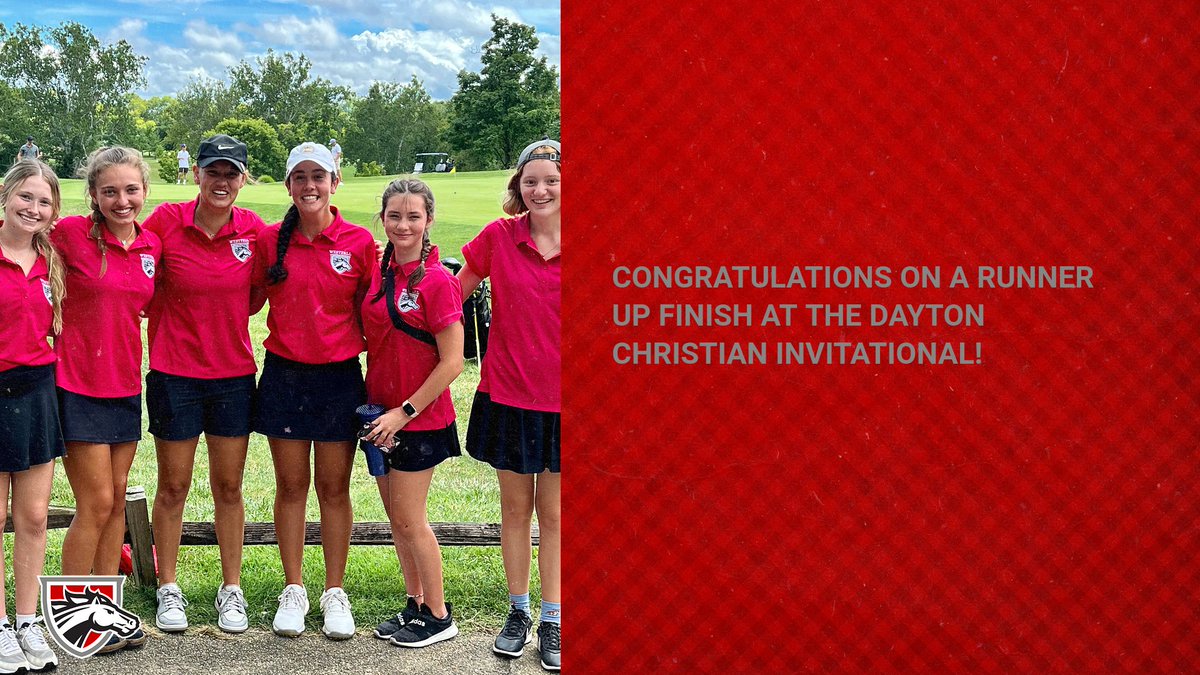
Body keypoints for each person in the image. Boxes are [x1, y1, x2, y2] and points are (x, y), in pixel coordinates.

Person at [251, 141, 377, 639]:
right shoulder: (268, 242)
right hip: (284, 375)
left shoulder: (360, 242)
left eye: (318, 177)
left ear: (335, 182)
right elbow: (243, 299)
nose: (309, 185)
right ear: (288, 186)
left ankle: (334, 591)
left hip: (339, 377)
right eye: (299, 177)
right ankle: (294, 588)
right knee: (290, 487)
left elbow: (376, 313)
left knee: (333, 488)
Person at [141, 135, 264, 635]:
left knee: (229, 487)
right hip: (174, 374)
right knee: (173, 486)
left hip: (233, 375)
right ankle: (168, 586)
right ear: (197, 173)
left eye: (232, 173)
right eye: (213, 171)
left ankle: (230, 589)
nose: (222, 181)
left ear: (243, 179)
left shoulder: (253, 231)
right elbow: (139, 279)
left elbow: (256, 297)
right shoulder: (165, 222)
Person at [457, 138, 561, 671]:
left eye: (551, 180)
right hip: (508, 394)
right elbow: (451, 295)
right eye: (530, 181)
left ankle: (553, 619)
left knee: (557, 515)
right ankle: (518, 612)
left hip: (567, 403)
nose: (540, 189)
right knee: (515, 512)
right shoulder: (500, 237)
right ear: (518, 188)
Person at [51, 146, 160, 653]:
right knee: (93, 502)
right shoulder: (68, 234)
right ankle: (68, 615)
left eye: (131, 190)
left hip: (123, 386)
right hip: (76, 384)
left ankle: (104, 612)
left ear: (144, 191)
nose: (122, 200)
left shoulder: (150, 246)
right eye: (110, 191)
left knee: (116, 501)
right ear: (92, 193)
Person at [359, 179, 464, 648]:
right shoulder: (381, 271)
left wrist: (403, 412)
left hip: (418, 419)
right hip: (379, 415)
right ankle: (416, 603)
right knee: (395, 518)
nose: (403, 225)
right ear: (382, 218)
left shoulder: (438, 281)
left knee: (410, 518)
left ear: (428, 221)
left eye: (413, 216)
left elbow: (453, 362)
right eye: (395, 216)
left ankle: (440, 616)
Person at [0, 160, 64, 672]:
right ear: (7, 197)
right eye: (25, 197)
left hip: (38, 390)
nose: (33, 209)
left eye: (43, 202)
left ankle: (27, 621)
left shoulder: (52, 261)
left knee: (34, 516)